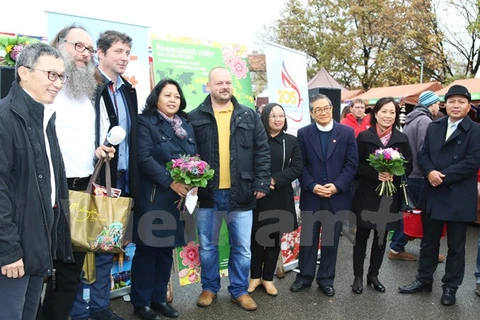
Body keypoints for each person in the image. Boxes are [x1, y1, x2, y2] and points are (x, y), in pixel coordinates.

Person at [38, 24, 118, 320]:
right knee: (35, 275)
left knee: (69, 276)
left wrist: (102, 148)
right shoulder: (42, 90)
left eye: (88, 49)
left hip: (81, 193)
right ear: (58, 44)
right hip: (46, 195)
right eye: (78, 46)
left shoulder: (91, 94)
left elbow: (102, 135)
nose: (85, 54)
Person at [0, 43, 73, 320]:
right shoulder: (5, 118)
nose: (57, 83)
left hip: (36, 242)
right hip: (13, 248)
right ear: (24, 73)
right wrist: (7, 251)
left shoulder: (44, 118)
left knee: (28, 314)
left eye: (61, 76)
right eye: (50, 75)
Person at [189, 67, 270, 312]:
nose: (224, 86)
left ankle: (239, 291)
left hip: (242, 193)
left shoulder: (249, 115)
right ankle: (209, 288)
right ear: (209, 86)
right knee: (207, 247)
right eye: (219, 83)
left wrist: (261, 182)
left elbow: (262, 151)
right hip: (207, 195)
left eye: (228, 82)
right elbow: (187, 154)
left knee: (242, 248)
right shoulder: (195, 117)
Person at [70, 30, 139, 320]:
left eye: (126, 52)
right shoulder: (85, 84)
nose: (124, 58)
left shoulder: (128, 90)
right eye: (118, 51)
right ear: (101, 53)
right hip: (89, 177)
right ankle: (75, 310)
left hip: (118, 179)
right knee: (78, 245)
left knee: (106, 245)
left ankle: (99, 307)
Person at [399, 85, 480, 306]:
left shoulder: (476, 130)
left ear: (467, 105)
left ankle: (450, 287)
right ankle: (424, 280)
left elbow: (473, 161)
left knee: (456, 246)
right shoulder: (435, 126)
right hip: (433, 192)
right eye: (452, 101)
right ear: (445, 104)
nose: (456, 105)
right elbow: (423, 153)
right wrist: (429, 172)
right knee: (429, 241)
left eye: (461, 102)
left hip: (458, 195)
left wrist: (442, 176)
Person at [130, 79, 195, 320]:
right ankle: (141, 302)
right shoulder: (145, 122)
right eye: (167, 95)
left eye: (176, 96)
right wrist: (170, 182)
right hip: (155, 195)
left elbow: (193, 157)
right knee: (148, 251)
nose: (172, 100)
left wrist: (194, 182)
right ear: (156, 97)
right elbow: (144, 157)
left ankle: (159, 299)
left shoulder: (186, 124)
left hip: (179, 200)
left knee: (167, 251)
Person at [289, 94, 358, 297]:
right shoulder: (303, 133)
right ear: (312, 113)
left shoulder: (346, 132)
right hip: (312, 195)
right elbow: (301, 164)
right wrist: (311, 185)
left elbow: (352, 164)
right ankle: (304, 277)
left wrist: (337, 186)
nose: (323, 112)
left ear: (332, 108)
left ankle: (326, 280)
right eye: (318, 109)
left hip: (336, 197)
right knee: (308, 240)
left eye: (326, 108)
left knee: (330, 240)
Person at [351, 97, 413, 294]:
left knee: (381, 237)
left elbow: (409, 165)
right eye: (384, 111)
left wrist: (394, 173)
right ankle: (358, 276)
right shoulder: (363, 137)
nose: (388, 116)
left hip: (389, 196)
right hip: (366, 194)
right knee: (361, 237)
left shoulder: (402, 139)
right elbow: (355, 165)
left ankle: (373, 275)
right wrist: (374, 174)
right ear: (376, 113)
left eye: (392, 112)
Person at [248, 103, 303, 297]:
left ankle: (268, 278)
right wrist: (261, 183)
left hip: (279, 194)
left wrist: (274, 180)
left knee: (273, 240)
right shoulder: (256, 139)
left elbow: (297, 167)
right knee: (255, 237)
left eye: (281, 115)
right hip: (257, 195)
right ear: (265, 118)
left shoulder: (291, 141)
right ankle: (254, 277)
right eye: (273, 116)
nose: (278, 119)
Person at [388, 91, 445, 263]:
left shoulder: (412, 119)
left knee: (410, 211)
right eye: (437, 104)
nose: (438, 107)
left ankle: (398, 246)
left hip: (410, 173)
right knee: (421, 214)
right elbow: (424, 150)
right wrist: (430, 171)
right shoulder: (426, 121)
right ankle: (402, 248)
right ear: (431, 104)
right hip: (420, 175)